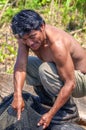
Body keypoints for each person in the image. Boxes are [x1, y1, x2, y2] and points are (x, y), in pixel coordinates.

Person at [11, 9, 86, 129]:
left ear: (42, 26)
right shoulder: (24, 38)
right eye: (25, 39)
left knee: (45, 69)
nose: (30, 43)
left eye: (32, 37)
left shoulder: (57, 44)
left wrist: (51, 115)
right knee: (29, 63)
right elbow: (20, 67)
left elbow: (70, 83)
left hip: (80, 80)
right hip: (60, 74)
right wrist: (17, 95)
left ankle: (69, 112)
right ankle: (48, 102)